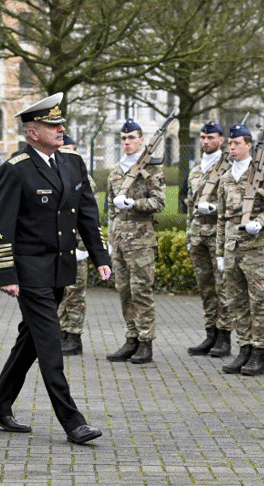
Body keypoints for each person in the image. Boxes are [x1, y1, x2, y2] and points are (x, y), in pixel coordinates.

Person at [0, 92, 111, 445]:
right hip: (29, 271)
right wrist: (6, 273)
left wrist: (101, 257)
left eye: (61, 123)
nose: (60, 129)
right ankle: (73, 422)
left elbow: (87, 213)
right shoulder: (15, 168)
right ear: (32, 132)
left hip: (59, 269)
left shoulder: (72, 164)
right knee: (50, 344)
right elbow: (1, 225)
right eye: (52, 125)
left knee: (30, 340)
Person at [216, 123, 264, 376]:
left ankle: (259, 354)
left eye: (237, 144)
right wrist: (220, 251)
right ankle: (244, 349)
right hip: (232, 248)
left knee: (259, 302)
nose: (232, 148)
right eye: (230, 144)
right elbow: (221, 217)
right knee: (237, 302)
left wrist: (258, 223)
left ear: (249, 145)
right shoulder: (226, 177)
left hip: (257, 248)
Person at [105, 118, 165, 364]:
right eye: (124, 138)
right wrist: (110, 237)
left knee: (141, 292)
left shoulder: (151, 169)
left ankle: (145, 342)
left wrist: (134, 204)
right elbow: (110, 208)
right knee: (124, 292)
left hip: (141, 242)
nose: (127, 142)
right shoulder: (115, 171)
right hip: (120, 241)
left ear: (141, 140)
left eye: (132, 138)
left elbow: (160, 202)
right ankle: (131, 339)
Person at [185, 121, 232, 357]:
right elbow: (189, 206)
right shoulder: (196, 170)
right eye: (203, 138)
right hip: (198, 235)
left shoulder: (229, 168)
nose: (205, 142)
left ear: (221, 140)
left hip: (217, 236)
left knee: (222, 287)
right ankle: (210, 334)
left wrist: (213, 208)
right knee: (205, 288)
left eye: (210, 137)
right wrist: (188, 234)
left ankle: (224, 336)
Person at [57, 133, 96, 356]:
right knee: (61, 293)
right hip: (60, 246)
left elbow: (89, 217)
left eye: (71, 150)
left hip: (77, 247)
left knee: (75, 294)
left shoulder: (83, 177)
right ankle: (61, 332)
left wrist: (83, 248)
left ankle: (74, 336)